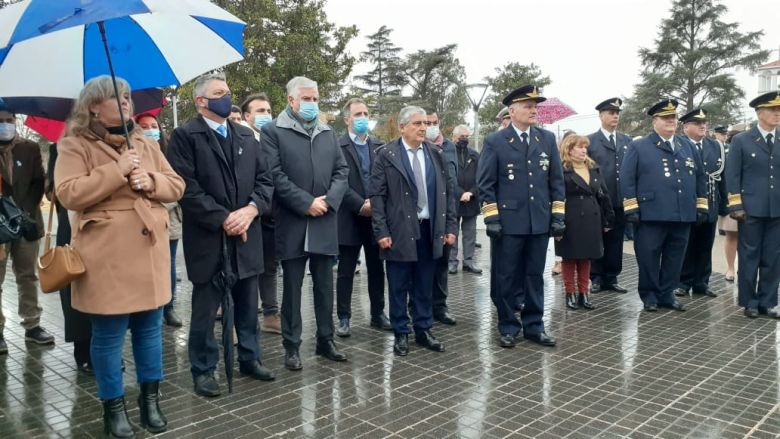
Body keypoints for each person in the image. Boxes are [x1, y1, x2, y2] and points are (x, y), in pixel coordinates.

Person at [54, 75, 185, 436]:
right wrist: (118, 170)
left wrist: (152, 182)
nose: (125, 101)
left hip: (149, 251)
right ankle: (113, 408)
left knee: (149, 331)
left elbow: (177, 184)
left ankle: (150, 402)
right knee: (109, 335)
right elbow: (69, 193)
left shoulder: (143, 141)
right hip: (105, 257)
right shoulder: (73, 144)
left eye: (127, 95)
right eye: (116, 96)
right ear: (93, 106)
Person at [167, 72, 276, 398]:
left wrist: (251, 210)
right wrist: (224, 218)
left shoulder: (245, 136)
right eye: (218, 92)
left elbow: (265, 181)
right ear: (201, 101)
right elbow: (186, 187)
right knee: (206, 307)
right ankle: (203, 368)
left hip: (246, 235)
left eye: (228, 92)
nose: (226, 97)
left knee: (247, 303)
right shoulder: (185, 136)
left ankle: (250, 356)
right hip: (209, 239)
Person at [261, 76, 349, 370]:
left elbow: (341, 171)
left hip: (324, 219)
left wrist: (328, 201)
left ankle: (326, 340)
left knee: (325, 285)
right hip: (293, 221)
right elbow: (275, 175)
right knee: (293, 288)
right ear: (292, 100)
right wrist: (305, 202)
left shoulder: (327, 132)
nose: (313, 104)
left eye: (315, 98)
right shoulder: (273, 131)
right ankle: (292, 345)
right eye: (307, 99)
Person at [477, 85, 565, 348]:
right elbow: (486, 185)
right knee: (506, 276)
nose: (533, 111)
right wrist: (492, 218)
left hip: (538, 221)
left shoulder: (546, 139)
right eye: (527, 106)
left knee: (534, 275)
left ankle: (534, 325)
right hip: (509, 223)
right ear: (512, 111)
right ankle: (507, 326)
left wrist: (557, 216)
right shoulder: (495, 141)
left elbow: (556, 181)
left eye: (535, 106)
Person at [370, 105, 457, 356]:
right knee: (398, 284)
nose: (423, 128)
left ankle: (423, 329)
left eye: (426, 124)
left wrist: (450, 226)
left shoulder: (436, 153)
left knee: (424, 283)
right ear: (402, 127)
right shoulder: (386, 155)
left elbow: (448, 193)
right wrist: (381, 231)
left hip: (430, 229)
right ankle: (401, 332)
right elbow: (377, 196)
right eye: (417, 124)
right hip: (398, 230)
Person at [621, 99, 707, 313]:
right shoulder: (639, 145)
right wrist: (631, 207)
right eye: (666, 118)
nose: (671, 121)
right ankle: (649, 295)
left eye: (674, 117)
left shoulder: (686, 144)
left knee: (675, 256)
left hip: (682, 213)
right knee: (648, 257)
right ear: (654, 121)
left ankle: (667, 294)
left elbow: (699, 177)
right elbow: (627, 178)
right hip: (651, 213)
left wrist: (701, 204)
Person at [0, 105, 54, 355]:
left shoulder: (29, 148)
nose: (6, 124)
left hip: (26, 223)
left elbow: (37, 183)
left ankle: (32, 325)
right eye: (1, 120)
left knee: (27, 276)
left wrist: (23, 212)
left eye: (9, 119)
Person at [334, 98, 390, 337]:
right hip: (349, 216)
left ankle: (378, 313)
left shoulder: (379, 146)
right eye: (358, 114)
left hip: (375, 217)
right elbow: (337, 182)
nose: (363, 118)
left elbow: (385, 179)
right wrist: (359, 204)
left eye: (365, 113)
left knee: (377, 268)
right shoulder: (337, 146)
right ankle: (344, 317)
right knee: (346, 270)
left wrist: (375, 204)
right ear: (347, 119)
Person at [725, 91, 780, 319]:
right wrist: (736, 206)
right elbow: (732, 175)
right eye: (773, 110)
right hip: (750, 210)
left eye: (779, 110)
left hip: (777, 209)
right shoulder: (742, 140)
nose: (778, 114)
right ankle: (749, 301)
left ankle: (768, 302)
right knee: (749, 256)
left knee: (773, 257)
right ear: (759, 113)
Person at [47, 143, 92, 372]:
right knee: (74, 287)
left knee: (102, 287)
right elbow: (50, 191)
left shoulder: (111, 143)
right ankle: (82, 349)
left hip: (104, 226)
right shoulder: (61, 147)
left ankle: (102, 348)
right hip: (72, 223)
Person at [555, 135, 614, 310]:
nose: (583, 150)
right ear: (568, 149)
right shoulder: (561, 169)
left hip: (592, 217)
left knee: (586, 257)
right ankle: (570, 293)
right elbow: (555, 195)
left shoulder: (593, 167)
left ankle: (584, 293)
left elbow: (603, 194)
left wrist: (608, 217)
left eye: (585, 147)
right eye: (579, 147)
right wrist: (556, 223)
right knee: (570, 257)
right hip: (570, 218)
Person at [136, 112, 184, 327]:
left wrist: (157, 202)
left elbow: (177, 185)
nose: (150, 129)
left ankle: (169, 306)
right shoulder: (134, 152)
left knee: (169, 265)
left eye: (153, 125)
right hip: (140, 223)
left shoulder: (169, 151)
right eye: (144, 126)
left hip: (168, 219)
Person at [240, 93, 281, 334]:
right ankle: (241, 321)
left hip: (272, 215)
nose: (266, 115)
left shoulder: (274, 139)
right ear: (247, 116)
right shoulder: (242, 140)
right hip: (250, 213)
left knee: (270, 267)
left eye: (268, 110)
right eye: (260, 111)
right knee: (247, 270)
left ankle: (270, 314)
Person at [674, 109, 726, 298]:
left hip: (710, 203)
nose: (703, 126)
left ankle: (701, 282)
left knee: (705, 245)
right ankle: (683, 282)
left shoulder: (715, 146)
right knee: (687, 246)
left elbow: (722, 177)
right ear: (685, 126)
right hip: (687, 204)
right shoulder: (678, 144)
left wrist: (724, 205)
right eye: (697, 123)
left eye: (704, 122)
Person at [587, 98, 632, 294]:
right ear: (601, 116)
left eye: (617, 113)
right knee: (597, 239)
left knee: (616, 240)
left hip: (620, 200)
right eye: (611, 113)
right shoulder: (590, 141)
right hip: (598, 201)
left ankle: (612, 277)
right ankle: (596, 277)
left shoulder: (626, 141)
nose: (615, 116)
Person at [424, 111, 458, 325]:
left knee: (442, 264)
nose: (430, 127)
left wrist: (452, 225)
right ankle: (418, 306)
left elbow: (451, 183)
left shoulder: (448, 147)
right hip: (423, 215)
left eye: (434, 123)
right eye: (427, 123)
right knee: (421, 266)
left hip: (445, 213)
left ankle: (440, 306)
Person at [448, 124, 482, 274]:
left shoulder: (475, 155)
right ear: (454, 137)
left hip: (471, 200)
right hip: (453, 200)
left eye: (467, 136)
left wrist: (471, 193)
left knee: (470, 234)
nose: (465, 139)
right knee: (452, 232)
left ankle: (468, 261)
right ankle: (452, 261)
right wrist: (460, 193)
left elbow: (481, 177)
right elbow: (448, 178)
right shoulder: (447, 155)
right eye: (462, 136)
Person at [716, 127, 738, 281]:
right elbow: (723, 180)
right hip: (731, 200)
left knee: (751, 239)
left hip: (753, 200)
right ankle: (730, 268)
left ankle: (746, 269)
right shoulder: (725, 153)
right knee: (732, 236)